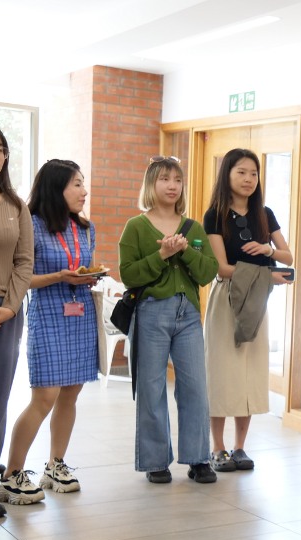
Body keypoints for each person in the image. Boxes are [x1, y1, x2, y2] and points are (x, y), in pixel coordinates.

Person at [0, 160, 98, 505]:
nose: (84, 191)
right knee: (44, 397)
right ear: (56, 188)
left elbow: (82, 264)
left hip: (80, 313)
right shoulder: (33, 224)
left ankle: (55, 465)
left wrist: (87, 276)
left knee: (70, 394)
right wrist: (60, 277)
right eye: (77, 185)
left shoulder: (85, 227)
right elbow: (21, 276)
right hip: (48, 314)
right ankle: (11, 473)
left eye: (84, 184)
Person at [119, 157, 218, 484]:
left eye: (177, 179)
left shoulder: (194, 228)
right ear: (151, 184)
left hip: (188, 313)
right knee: (151, 388)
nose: (172, 185)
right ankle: (155, 460)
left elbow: (208, 272)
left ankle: (199, 458)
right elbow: (129, 274)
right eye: (164, 179)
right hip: (150, 312)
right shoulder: (136, 226)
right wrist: (162, 255)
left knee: (194, 387)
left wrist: (185, 251)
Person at [204, 149, 293, 473]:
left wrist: (269, 249)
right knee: (222, 371)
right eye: (241, 172)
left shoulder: (265, 214)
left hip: (257, 300)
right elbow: (223, 269)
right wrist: (267, 274)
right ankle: (218, 447)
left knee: (250, 373)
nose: (248, 179)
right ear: (227, 174)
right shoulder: (214, 214)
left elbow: (288, 256)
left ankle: (241, 446)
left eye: (253, 173)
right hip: (226, 298)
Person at [0, 126, 33, 518]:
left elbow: (25, 263)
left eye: (2, 149)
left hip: (6, 310)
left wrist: (9, 306)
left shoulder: (15, 205)